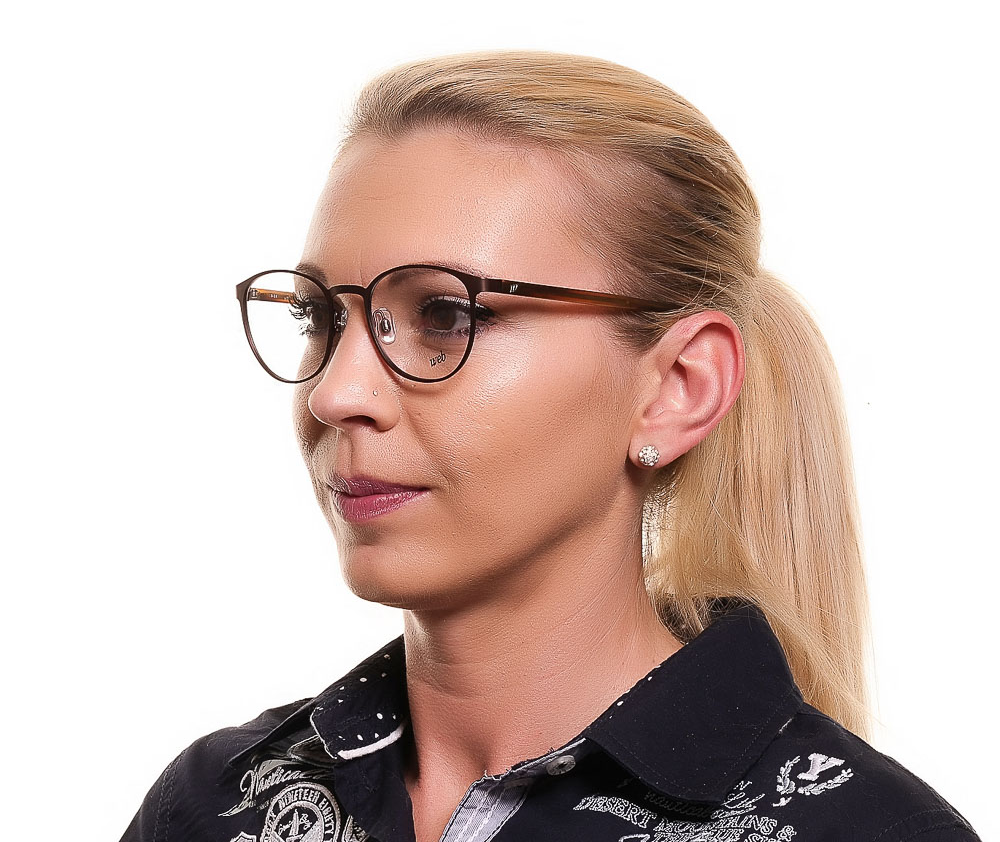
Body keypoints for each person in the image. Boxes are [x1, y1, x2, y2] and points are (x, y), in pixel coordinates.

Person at [122, 50, 981, 842]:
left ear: (678, 388)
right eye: (319, 317)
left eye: (445, 315)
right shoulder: (211, 807)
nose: (334, 394)